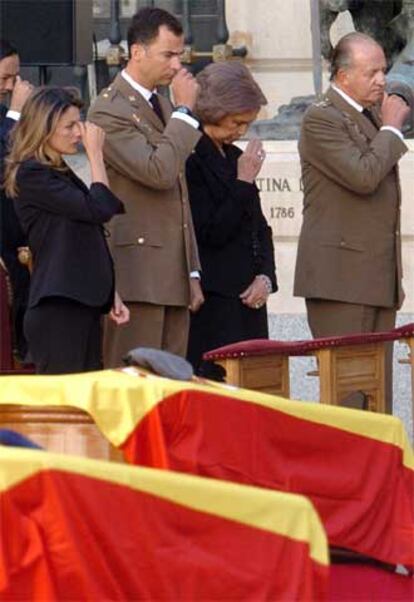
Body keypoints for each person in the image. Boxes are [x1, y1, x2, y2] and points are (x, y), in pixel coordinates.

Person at [293, 32, 410, 412]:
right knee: (349, 398)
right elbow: (363, 175)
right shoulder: (322, 118)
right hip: (340, 281)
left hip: (374, 279)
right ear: (343, 76)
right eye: (372, 72)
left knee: (377, 398)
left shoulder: (365, 115)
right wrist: (391, 128)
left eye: (384, 70)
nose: (382, 80)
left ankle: (376, 472)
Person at [88, 7, 203, 367]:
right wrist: (185, 113)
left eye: (180, 55)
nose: (176, 66)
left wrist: (192, 271)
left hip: (172, 276)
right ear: (137, 52)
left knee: (170, 393)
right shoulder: (110, 110)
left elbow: (180, 198)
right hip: (137, 276)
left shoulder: (164, 106)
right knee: (135, 388)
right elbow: (158, 172)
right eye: (168, 54)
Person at [4, 87, 129, 374]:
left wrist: (111, 293)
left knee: (83, 404)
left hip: (79, 303)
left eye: (79, 123)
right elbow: (100, 209)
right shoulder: (31, 173)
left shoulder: (57, 171)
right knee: (64, 408)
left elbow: (83, 234)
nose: (78, 133)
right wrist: (96, 155)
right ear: (45, 128)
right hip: (57, 308)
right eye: (70, 126)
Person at [185, 62, 277, 377]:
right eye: (236, 122)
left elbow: (260, 228)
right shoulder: (190, 156)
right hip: (215, 300)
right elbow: (209, 230)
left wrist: (266, 278)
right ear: (214, 110)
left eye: (246, 124)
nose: (240, 132)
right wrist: (242, 183)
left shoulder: (237, 158)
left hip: (250, 298)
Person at [0, 39, 33, 362]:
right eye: (4, 79)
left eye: (15, 78)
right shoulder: (10, 115)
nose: (10, 87)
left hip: (18, 241)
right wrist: (15, 113)